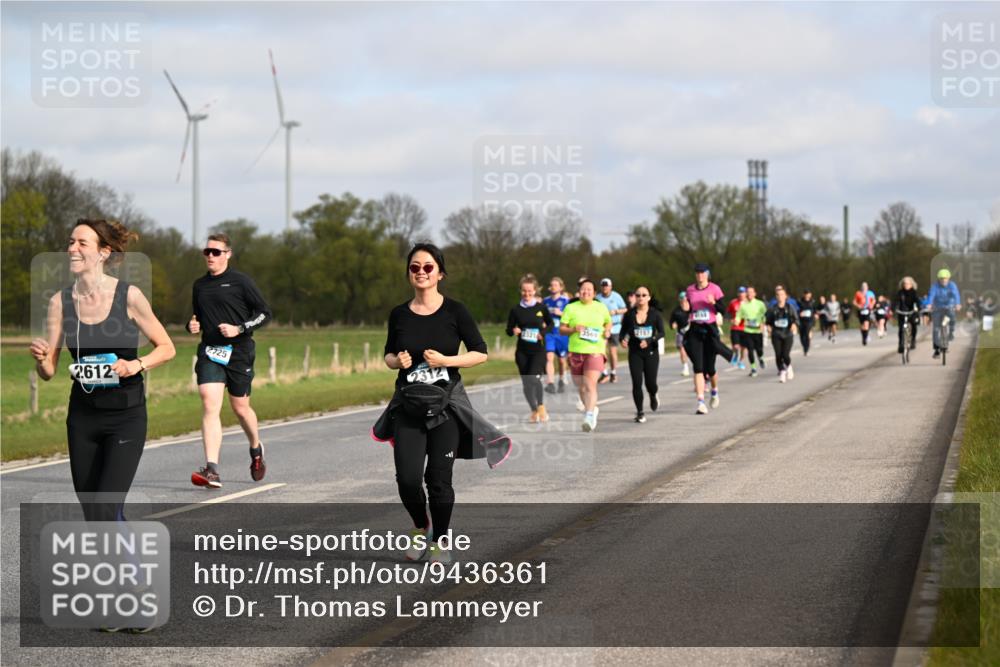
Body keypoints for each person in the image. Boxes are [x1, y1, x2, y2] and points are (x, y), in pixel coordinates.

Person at [29, 219, 176, 522]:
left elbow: (167, 347)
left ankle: (131, 570)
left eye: (82, 243)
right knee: (93, 514)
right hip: (83, 419)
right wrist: (42, 358)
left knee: (106, 509)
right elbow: (49, 371)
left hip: (125, 417)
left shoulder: (129, 296)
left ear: (103, 253)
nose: (72, 248)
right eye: (71, 242)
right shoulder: (60, 302)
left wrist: (136, 364)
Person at [372, 243, 510, 564]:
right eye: (415, 267)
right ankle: (421, 527)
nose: (421, 272)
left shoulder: (455, 311)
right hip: (408, 406)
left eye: (428, 267)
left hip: (445, 407)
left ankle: (442, 541)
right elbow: (389, 354)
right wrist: (397, 361)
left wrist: (447, 360)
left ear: (440, 273)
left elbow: (480, 352)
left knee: (437, 478)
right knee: (407, 479)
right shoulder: (399, 314)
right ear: (409, 273)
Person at [187, 233, 272, 489]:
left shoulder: (240, 282)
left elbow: (265, 314)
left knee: (240, 408)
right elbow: (197, 316)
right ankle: (212, 469)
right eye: (207, 252)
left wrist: (240, 328)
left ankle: (256, 449)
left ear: (228, 254)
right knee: (209, 402)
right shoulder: (199, 285)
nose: (210, 256)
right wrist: (191, 324)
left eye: (216, 252)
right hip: (211, 351)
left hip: (239, 352)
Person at [560, 279, 612, 432]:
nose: (586, 292)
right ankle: (592, 409)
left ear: (594, 293)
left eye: (589, 289)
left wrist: (608, 330)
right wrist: (573, 329)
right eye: (583, 289)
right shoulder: (570, 308)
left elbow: (608, 323)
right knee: (580, 387)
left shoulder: (601, 307)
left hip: (595, 350)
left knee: (589, 385)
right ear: (579, 292)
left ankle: (589, 415)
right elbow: (562, 329)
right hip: (576, 351)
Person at [506, 274, 554, 423]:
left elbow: (551, 324)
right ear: (521, 291)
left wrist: (542, 333)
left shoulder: (541, 307)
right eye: (524, 291)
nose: (527, 294)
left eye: (530, 291)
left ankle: (541, 406)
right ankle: (533, 410)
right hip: (522, 351)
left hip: (538, 350)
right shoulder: (515, 310)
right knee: (526, 382)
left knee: (533, 378)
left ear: (535, 291)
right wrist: (514, 331)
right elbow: (508, 330)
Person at [682, 263, 726, 414]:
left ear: (707, 274)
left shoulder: (715, 289)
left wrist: (714, 302)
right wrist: (685, 307)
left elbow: (723, 309)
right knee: (698, 368)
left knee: (711, 369)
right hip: (695, 329)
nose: (700, 275)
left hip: (710, 330)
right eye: (697, 273)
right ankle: (700, 401)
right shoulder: (690, 289)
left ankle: (714, 390)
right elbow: (687, 309)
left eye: (702, 273)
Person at [620, 286, 664, 423]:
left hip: (651, 352)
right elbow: (623, 331)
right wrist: (623, 340)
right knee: (637, 383)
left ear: (649, 298)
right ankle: (640, 412)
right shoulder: (629, 314)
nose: (640, 298)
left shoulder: (655, 314)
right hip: (635, 352)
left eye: (644, 295)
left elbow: (662, 333)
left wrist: (650, 340)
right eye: (638, 295)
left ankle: (653, 394)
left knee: (651, 383)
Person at [595, 278, 627, 383]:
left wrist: (616, 311)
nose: (605, 288)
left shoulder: (616, 296)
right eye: (603, 286)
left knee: (613, 351)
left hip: (615, 327)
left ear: (610, 287)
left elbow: (625, 309)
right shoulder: (598, 298)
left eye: (606, 286)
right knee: (600, 351)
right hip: (602, 328)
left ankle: (613, 372)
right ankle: (604, 373)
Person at [542, 277, 570, 394]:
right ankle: (551, 383)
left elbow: (571, 317)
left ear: (561, 287)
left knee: (562, 360)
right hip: (550, 334)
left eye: (555, 285)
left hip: (561, 333)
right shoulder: (545, 301)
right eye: (551, 285)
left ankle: (562, 379)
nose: (553, 287)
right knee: (549, 357)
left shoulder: (565, 301)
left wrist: (561, 313)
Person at [766, 285, 798, 383]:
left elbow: (795, 319)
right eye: (778, 295)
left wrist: (794, 324)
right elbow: (768, 321)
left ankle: (788, 366)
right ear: (776, 297)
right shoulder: (772, 309)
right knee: (778, 355)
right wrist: (768, 327)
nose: (780, 297)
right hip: (776, 334)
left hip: (787, 334)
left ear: (785, 296)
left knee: (785, 354)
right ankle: (782, 371)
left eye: (782, 294)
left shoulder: (790, 308)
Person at [927, 268, 962, 358]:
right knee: (936, 329)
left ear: (949, 278)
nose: (943, 280)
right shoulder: (935, 286)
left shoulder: (952, 285)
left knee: (952, 318)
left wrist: (957, 304)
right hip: (938, 308)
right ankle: (936, 350)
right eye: (942, 278)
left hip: (949, 307)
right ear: (938, 279)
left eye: (945, 278)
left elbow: (956, 295)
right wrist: (929, 304)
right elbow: (931, 295)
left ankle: (951, 332)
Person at [735, 285, 767, 377]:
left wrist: (762, 323)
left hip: (757, 331)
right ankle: (753, 368)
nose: (749, 294)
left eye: (751, 292)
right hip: (747, 330)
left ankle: (760, 358)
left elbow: (765, 315)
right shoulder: (743, 305)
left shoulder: (760, 304)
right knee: (750, 350)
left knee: (759, 350)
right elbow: (739, 315)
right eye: (747, 292)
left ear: (755, 294)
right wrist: (737, 320)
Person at [895, 276, 921, 354]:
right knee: (900, 329)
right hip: (902, 312)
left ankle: (913, 340)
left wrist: (918, 308)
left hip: (911, 312)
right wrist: (893, 308)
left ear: (911, 284)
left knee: (914, 326)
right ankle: (901, 344)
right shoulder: (900, 293)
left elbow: (917, 301)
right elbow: (895, 301)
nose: (906, 285)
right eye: (905, 284)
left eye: (908, 284)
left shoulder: (914, 292)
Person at [669, 292, 692, 377]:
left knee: (693, 350)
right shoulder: (676, 311)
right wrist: (673, 324)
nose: (683, 300)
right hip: (681, 333)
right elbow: (671, 322)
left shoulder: (692, 308)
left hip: (692, 332)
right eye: (682, 298)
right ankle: (685, 367)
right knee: (682, 349)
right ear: (679, 300)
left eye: (685, 298)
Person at [726, 287, 748, 369]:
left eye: (743, 292)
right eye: (740, 292)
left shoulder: (748, 303)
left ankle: (741, 361)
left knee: (744, 347)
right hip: (735, 328)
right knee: (736, 346)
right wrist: (731, 320)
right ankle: (735, 355)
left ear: (746, 294)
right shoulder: (733, 302)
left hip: (746, 328)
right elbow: (727, 313)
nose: (741, 294)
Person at [798, 289, 817, 356]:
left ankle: (806, 349)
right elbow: (797, 310)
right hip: (801, 321)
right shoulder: (800, 301)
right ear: (804, 294)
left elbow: (815, 310)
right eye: (806, 294)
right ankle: (804, 346)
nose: (807, 295)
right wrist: (799, 314)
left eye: (809, 294)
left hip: (809, 321)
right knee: (802, 336)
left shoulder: (812, 302)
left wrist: (815, 314)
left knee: (807, 334)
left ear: (810, 295)